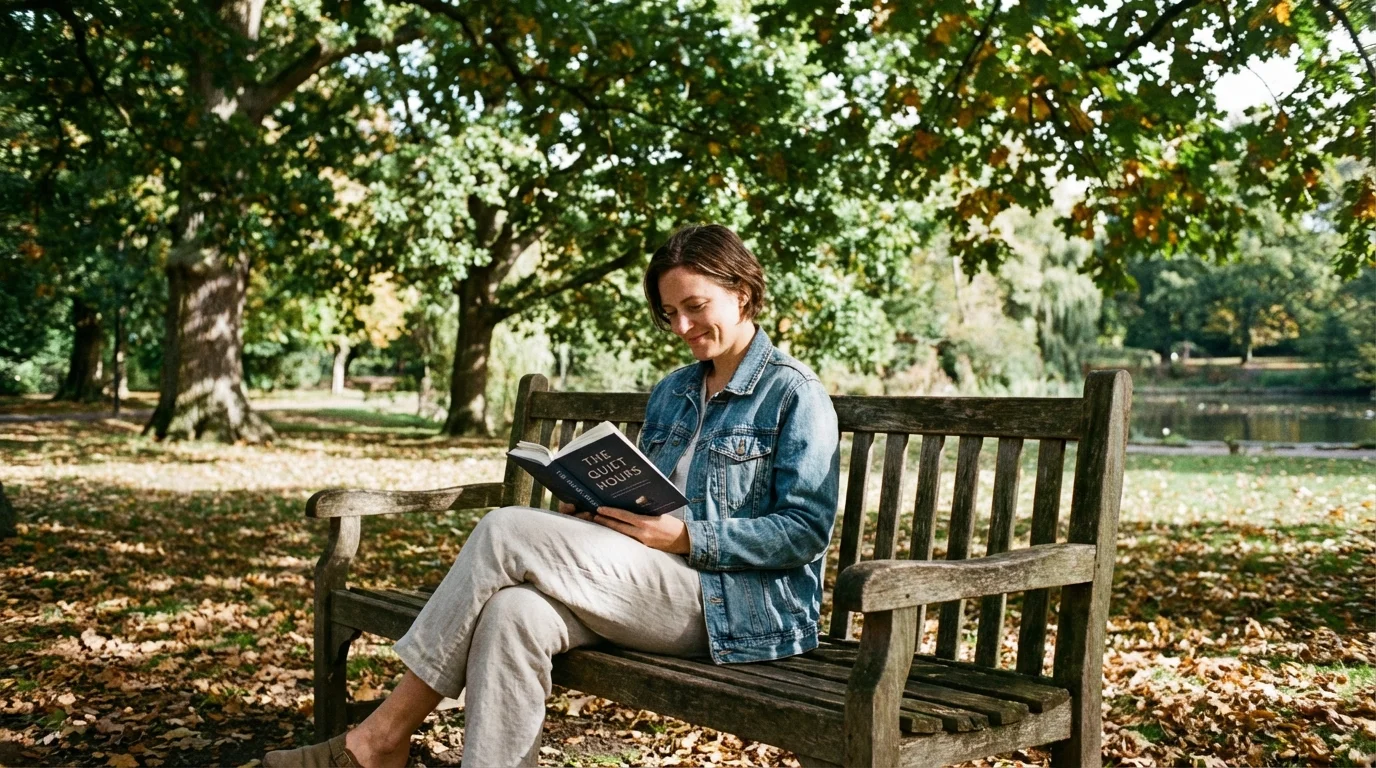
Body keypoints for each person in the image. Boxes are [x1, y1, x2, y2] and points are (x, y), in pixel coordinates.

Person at [264, 224, 840, 768]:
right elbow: (653, 498)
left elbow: (805, 531)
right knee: (512, 615)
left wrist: (689, 535)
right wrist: (596, 503)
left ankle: (379, 740)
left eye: (696, 307)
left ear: (741, 291)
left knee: (506, 529)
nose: (683, 327)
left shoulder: (794, 394)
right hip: (651, 581)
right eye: (670, 314)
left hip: (732, 605)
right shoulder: (675, 391)